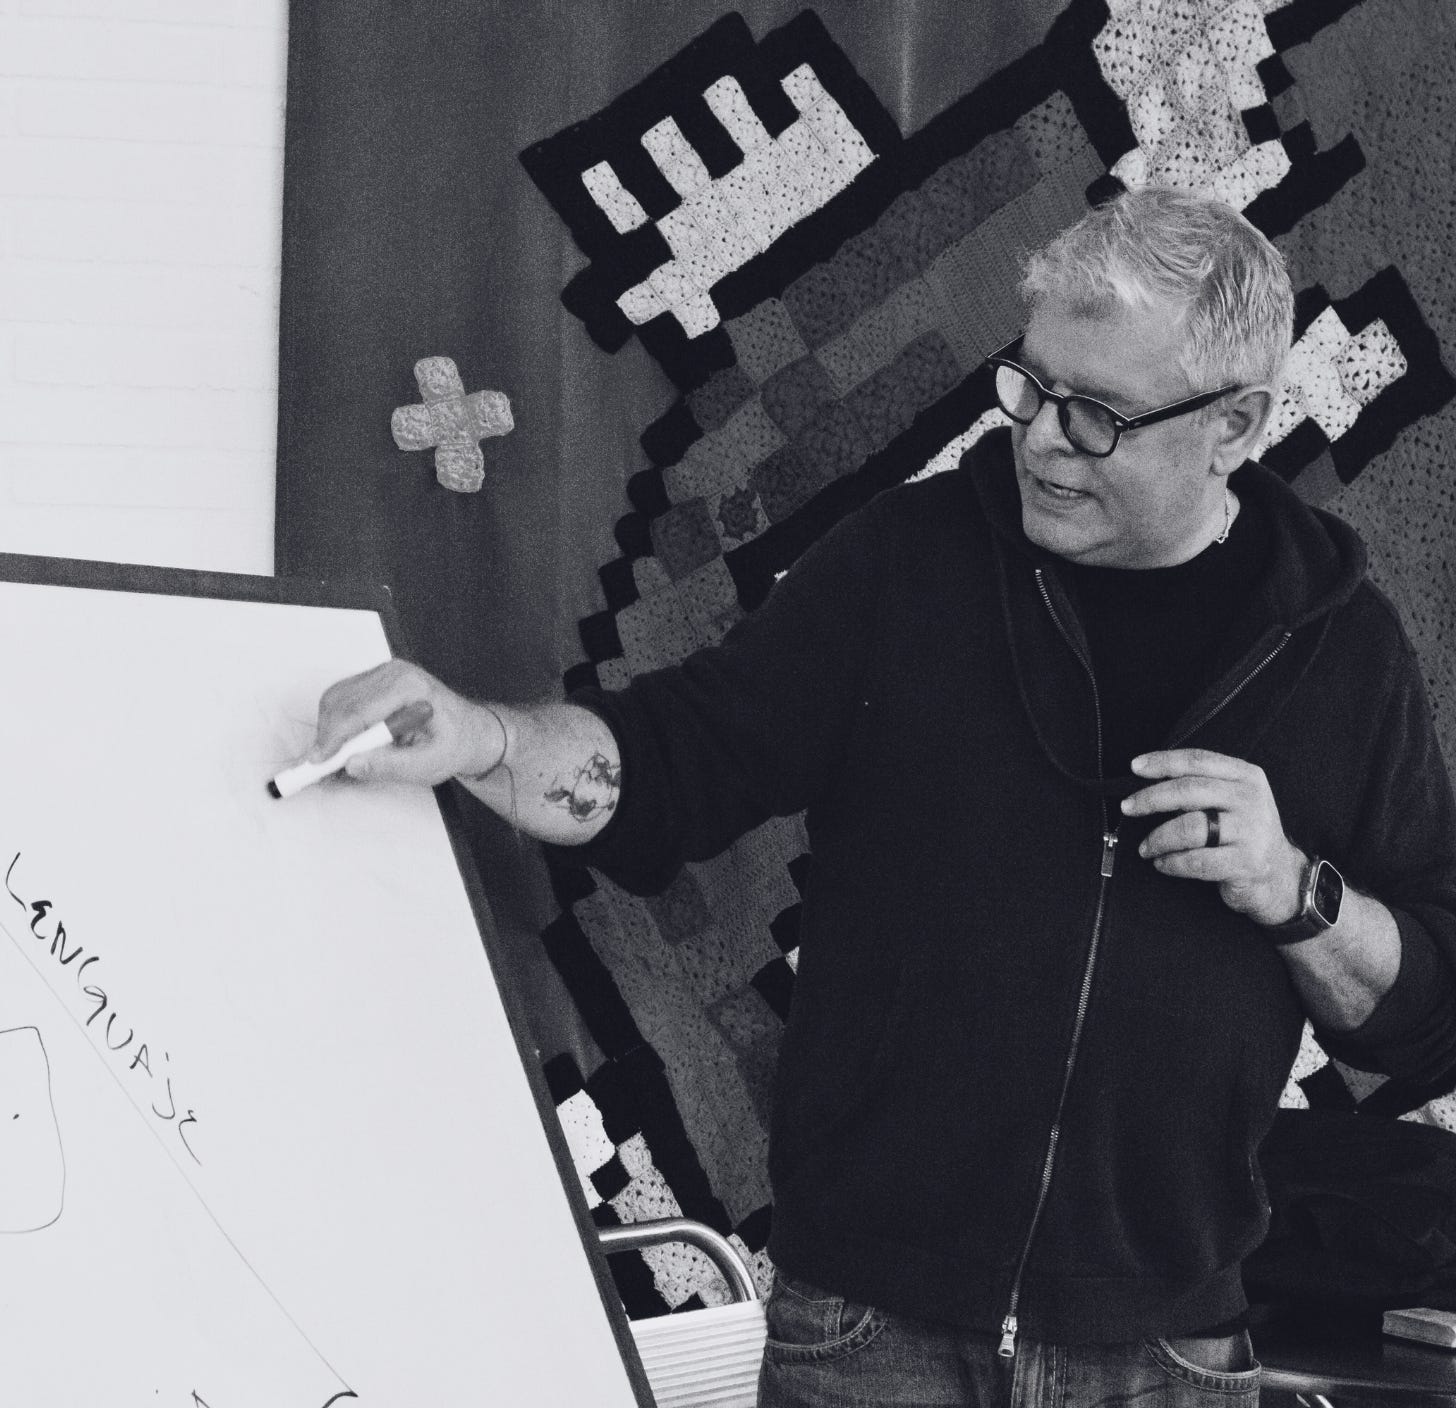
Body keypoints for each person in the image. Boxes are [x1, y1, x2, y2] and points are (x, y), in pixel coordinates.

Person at [307, 187, 1456, 1406]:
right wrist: (478, 736)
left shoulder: (1344, 651)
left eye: (1098, 415)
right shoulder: (903, 562)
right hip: (867, 1336)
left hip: (1166, 1353)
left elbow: (1423, 1017)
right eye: (1030, 386)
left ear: (1235, 424)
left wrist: (1295, 891)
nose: (1042, 439)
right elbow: (671, 761)